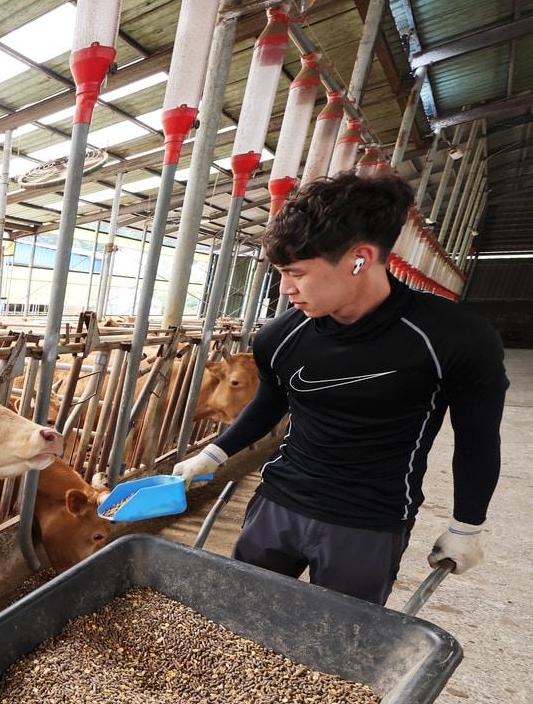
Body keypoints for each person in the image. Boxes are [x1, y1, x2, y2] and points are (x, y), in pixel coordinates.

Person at [175, 173, 506, 605]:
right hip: (278, 502)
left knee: (335, 647)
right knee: (240, 617)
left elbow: (478, 438)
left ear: (359, 259)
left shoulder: (453, 338)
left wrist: (468, 524)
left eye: (296, 273)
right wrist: (212, 454)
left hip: (368, 522)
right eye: (279, 272)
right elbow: (271, 400)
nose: (285, 288)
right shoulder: (281, 336)